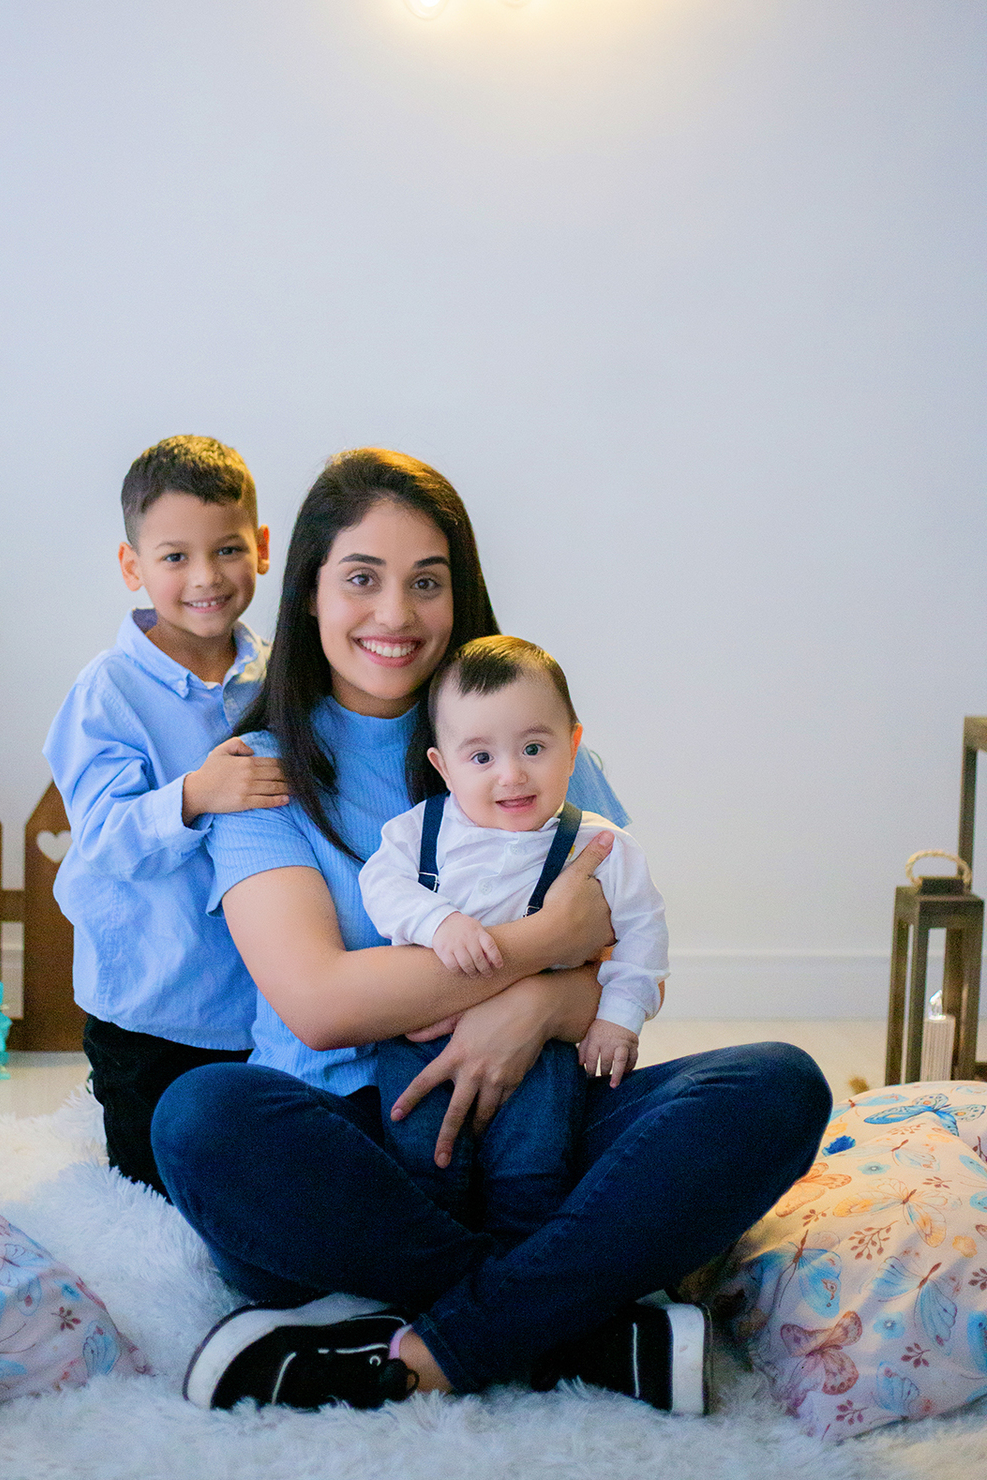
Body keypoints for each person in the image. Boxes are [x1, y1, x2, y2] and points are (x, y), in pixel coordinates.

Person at [150, 448, 831, 1416]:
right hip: (353, 1155)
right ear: (306, 592)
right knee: (201, 1119)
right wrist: (530, 955)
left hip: (543, 1120)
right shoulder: (262, 769)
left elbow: (613, 957)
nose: (395, 615)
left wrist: (542, 1006)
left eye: (426, 582)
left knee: (775, 1087)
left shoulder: (522, 728)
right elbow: (321, 1005)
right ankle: (569, 1317)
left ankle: (452, 1337)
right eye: (362, 579)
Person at [360, 633, 668, 1248]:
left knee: (534, 1166)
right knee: (425, 1157)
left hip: (543, 1050)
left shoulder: (598, 844)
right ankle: (443, 1269)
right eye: (480, 758)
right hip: (423, 1039)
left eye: (533, 747)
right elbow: (381, 887)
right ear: (442, 766)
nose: (512, 775)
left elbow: (643, 934)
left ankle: (524, 1265)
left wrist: (618, 1019)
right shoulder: (419, 833)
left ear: (573, 746)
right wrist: (437, 923)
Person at [44, 435, 287, 1194]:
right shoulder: (109, 691)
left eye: (226, 550)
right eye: (175, 557)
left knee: (260, 1171)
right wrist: (195, 793)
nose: (206, 577)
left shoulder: (278, 675)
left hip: (260, 1005)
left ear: (264, 548)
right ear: (134, 568)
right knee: (159, 1186)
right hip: (150, 1007)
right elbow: (107, 837)